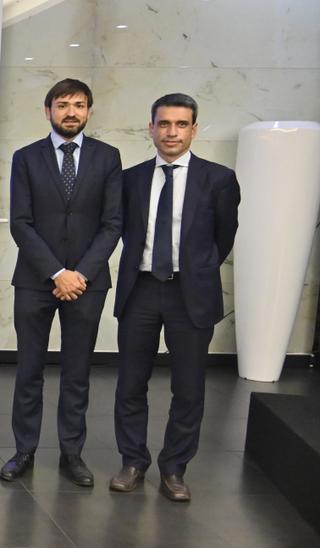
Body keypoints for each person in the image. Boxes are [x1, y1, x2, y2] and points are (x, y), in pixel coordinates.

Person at [109, 93, 240, 502]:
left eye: (181, 124)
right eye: (164, 124)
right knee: (130, 383)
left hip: (191, 294)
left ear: (194, 130)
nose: (171, 132)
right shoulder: (130, 179)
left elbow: (223, 238)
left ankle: (175, 468)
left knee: (189, 388)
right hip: (141, 290)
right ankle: (133, 461)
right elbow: (126, 233)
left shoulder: (218, 179)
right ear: (150, 128)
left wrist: (195, 269)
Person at [1, 78, 122, 487]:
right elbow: (21, 223)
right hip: (36, 281)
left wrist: (80, 274)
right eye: (62, 104)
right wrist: (57, 272)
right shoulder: (26, 157)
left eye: (79, 104)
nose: (71, 111)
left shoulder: (108, 158)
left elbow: (112, 224)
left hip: (88, 284)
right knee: (29, 370)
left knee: (77, 371)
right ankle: (24, 451)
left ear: (89, 110)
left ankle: (72, 453)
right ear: (47, 110)